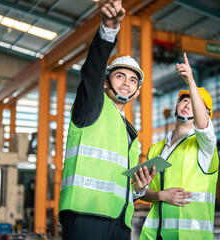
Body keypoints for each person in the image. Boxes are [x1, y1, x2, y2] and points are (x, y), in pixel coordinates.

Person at [58, 1, 155, 239]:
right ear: (105, 82)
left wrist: (139, 188)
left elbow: (124, 187)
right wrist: (108, 30)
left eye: (133, 80)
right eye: (120, 76)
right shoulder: (91, 107)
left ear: (137, 91)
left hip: (119, 221)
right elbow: (92, 71)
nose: (126, 83)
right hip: (86, 216)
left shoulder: (129, 132)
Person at [139, 53, 219, 240]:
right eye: (185, 100)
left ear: (205, 114)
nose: (188, 105)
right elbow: (142, 192)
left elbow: (203, 127)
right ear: (177, 105)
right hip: (153, 235)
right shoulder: (156, 149)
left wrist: (191, 81)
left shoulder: (205, 147)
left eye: (195, 102)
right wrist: (160, 195)